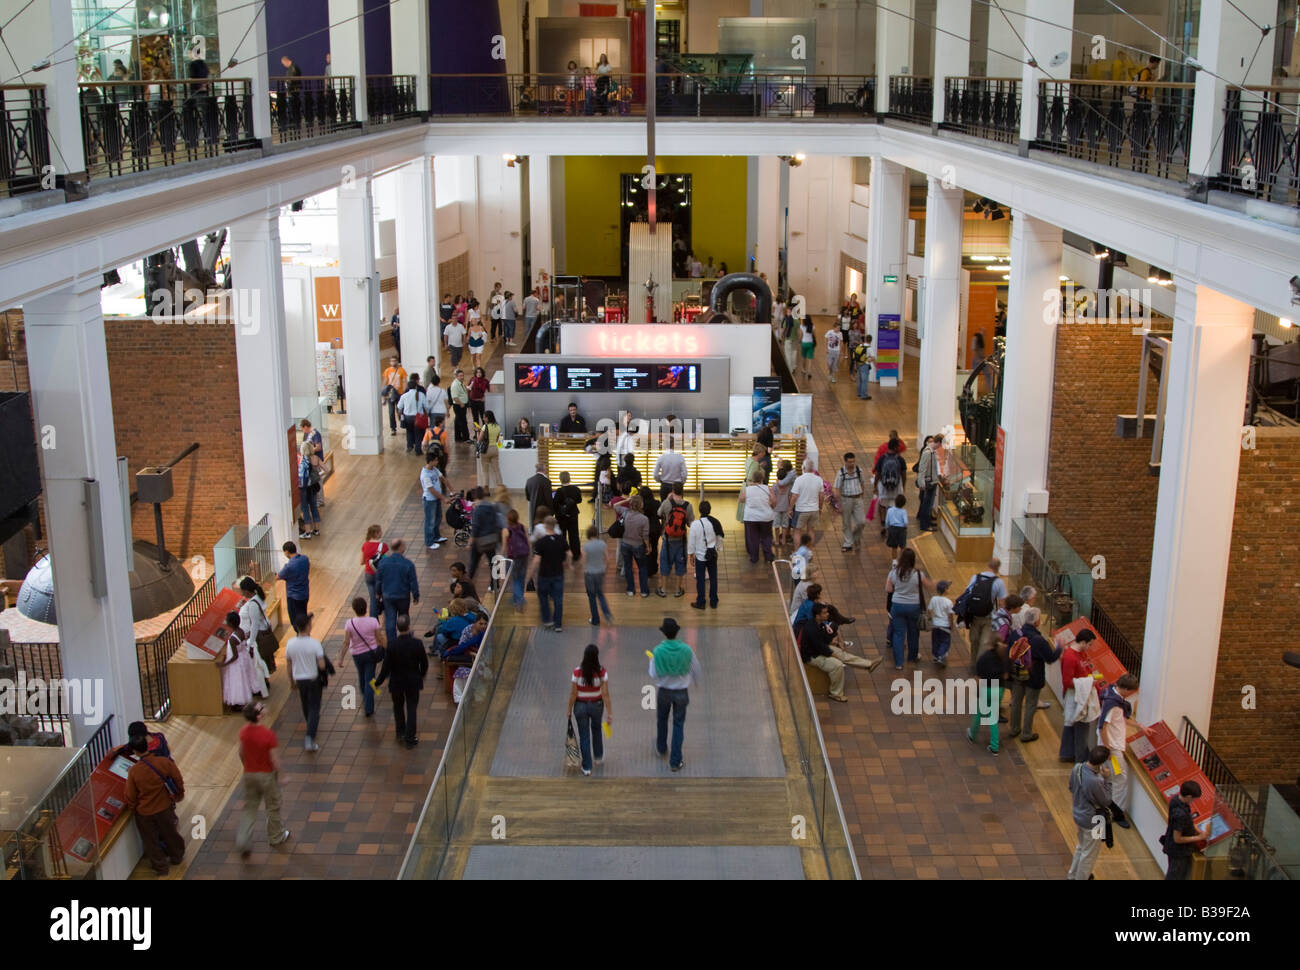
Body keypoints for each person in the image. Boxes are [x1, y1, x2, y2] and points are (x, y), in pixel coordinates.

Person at [122, 733, 186, 875]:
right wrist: (179, 794)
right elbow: (178, 779)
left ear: (135, 752)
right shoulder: (163, 762)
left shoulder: (134, 771)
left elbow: (130, 795)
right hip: (165, 807)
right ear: (147, 746)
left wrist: (133, 807)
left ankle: (161, 868)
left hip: (145, 813)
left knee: (151, 841)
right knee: (170, 833)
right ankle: (177, 857)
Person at [797, 602, 880, 702]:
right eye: (824, 613)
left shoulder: (820, 624)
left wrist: (834, 638)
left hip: (819, 651)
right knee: (837, 665)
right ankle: (835, 693)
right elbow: (821, 647)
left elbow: (824, 640)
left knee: (841, 653)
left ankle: (869, 664)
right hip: (812, 657)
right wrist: (833, 655)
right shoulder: (811, 628)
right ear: (817, 616)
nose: (827, 614)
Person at [649, 617, 701, 771]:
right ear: (676, 632)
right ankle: (675, 761)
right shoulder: (686, 650)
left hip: (664, 692)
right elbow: (696, 668)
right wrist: (696, 682)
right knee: (678, 724)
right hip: (681, 692)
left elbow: (652, 673)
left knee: (662, 720)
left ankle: (661, 748)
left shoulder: (658, 651)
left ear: (664, 633)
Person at [1006, 607, 1062, 742]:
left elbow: (1009, 651)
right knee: (1031, 704)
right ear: (1037, 621)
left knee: (1016, 702)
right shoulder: (1038, 640)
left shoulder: (1016, 633)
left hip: (1017, 672)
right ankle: (1026, 734)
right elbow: (1050, 658)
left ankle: (1014, 729)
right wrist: (1059, 647)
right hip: (1034, 675)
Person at [373, 614, 428, 748]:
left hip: (396, 682)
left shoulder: (392, 645)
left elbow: (385, 668)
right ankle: (410, 738)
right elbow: (424, 663)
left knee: (398, 707)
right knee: (412, 708)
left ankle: (400, 732)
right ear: (408, 626)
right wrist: (420, 675)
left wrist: (377, 682)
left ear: (397, 628)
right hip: (413, 681)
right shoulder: (417, 643)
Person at [1066, 746, 1114, 880]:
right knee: (1090, 854)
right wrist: (1107, 779)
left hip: (1078, 814)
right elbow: (1106, 800)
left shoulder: (1077, 768)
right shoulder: (1095, 781)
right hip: (1094, 820)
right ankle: (1081, 877)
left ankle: (1072, 875)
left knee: (1081, 847)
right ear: (1101, 763)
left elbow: (1071, 787)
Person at [1100, 673, 1140, 828]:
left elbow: (1120, 719)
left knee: (1111, 777)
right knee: (1120, 779)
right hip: (1113, 751)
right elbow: (1102, 726)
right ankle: (1116, 813)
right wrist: (1108, 748)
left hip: (1111, 748)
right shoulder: (1114, 704)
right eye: (1131, 692)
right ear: (1126, 689)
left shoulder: (1111, 695)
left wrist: (1140, 726)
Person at [567, 644, 612, 775]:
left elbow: (573, 694)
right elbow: (605, 694)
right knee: (597, 730)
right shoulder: (602, 672)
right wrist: (610, 713)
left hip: (580, 706)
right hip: (597, 705)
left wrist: (569, 709)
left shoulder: (577, 672)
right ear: (597, 656)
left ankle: (587, 767)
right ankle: (598, 757)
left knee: (584, 735)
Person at [285, 612, 326, 751]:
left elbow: (289, 665)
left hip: (300, 680)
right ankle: (310, 736)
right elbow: (322, 665)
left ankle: (310, 725)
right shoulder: (315, 644)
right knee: (315, 707)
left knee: (305, 705)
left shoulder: (290, 644)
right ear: (308, 626)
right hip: (313, 679)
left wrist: (291, 682)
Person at [885, 548, 931, 669]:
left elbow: (888, 589)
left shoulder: (894, 572)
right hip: (914, 607)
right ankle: (912, 657)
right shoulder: (918, 574)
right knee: (913, 633)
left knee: (898, 634)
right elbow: (927, 586)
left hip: (897, 606)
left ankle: (899, 663)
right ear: (913, 560)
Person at [1060, 629, 1100, 763]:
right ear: (1083, 642)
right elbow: (1067, 682)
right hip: (1076, 696)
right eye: (1090, 644)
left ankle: (1068, 753)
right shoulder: (1070, 657)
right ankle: (1081, 759)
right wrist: (1088, 682)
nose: (1090, 647)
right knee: (1081, 727)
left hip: (1083, 693)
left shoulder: (1081, 653)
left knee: (1073, 725)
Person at [341, 596, 385, 719]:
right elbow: (380, 638)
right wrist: (389, 649)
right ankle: (369, 707)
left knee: (361, 675)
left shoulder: (349, 623)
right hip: (371, 654)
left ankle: (365, 696)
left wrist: (341, 658)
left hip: (356, 655)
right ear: (366, 608)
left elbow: (346, 642)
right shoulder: (373, 621)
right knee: (370, 679)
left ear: (354, 609)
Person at [967, 628, 1008, 756]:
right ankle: (994, 746)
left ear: (989, 643)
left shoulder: (983, 658)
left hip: (986, 689)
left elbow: (978, 678)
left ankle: (972, 734)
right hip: (999, 689)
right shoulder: (1003, 657)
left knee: (979, 713)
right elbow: (1006, 675)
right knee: (993, 718)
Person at [374, 539, 419, 645]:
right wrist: (415, 595)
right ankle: (405, 640)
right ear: (401, 548)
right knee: (403, 618)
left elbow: (379, 580)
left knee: (390, 619)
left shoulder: (383, 563)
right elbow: (413, 581)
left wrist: (378, 594)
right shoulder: (408, 564)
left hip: (388, 596)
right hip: (403, 596)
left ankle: (392, 644)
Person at [960, 558, 1007, 658]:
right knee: (984, 644)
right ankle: (980, 664)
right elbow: (1003, 603)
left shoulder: (976, 577)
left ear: (988, 565)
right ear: (998, 568)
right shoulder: (999, 582)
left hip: (974, 615)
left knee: (974, 641)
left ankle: (973, 663)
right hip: (989, 617)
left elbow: (966, 593)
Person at [529, 516, 569, 631]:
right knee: (558, 599)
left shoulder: (541, 542)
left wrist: (529, 574)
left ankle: (547, 620)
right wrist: (567, 563)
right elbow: (569, 554)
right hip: (558, 573)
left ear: (545, 526)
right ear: (555, 525)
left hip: (544, 575)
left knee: (543, 597)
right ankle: (558, 624)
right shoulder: (561, 539)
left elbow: (536, 561)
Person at [1163, 780, 1205, 880]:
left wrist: (1197, 829)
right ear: (1189, 797)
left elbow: (1188, 821)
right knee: (1175, 876)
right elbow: (1177, 839)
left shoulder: (1175, 800)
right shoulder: (1180, 814)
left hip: (1172, 847)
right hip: (1178, 852)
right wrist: (1198, 837)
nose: (1194, 801)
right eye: (1194, 799)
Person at [657, 484, 694, 595]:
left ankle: (663, 589)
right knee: (680, 563)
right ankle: (678, 590)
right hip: (681, 540)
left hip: (667, 539)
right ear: (682, 492)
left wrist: (667, 499)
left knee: (665, 562)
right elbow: (690, 523)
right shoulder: (688, 505)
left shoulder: (666, 503)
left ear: (672, 491)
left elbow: (658, 513)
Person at [687, 499, 723, 609]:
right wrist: (718, 548)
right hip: (712, 554)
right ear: (710, 510)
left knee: (700, 579)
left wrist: (691, 555)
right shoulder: (715, 522)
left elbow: (691, 541)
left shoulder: (695, 524)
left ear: (699, 510)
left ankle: (701, 601)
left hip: (700, 555)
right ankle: (713, 601)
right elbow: (719, 537)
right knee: (713, 578)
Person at [220, 611, 257, 710]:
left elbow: (235, 656)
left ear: (231, 623)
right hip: (243, 658)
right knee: (242, 681)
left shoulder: (232, 639)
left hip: (236, 663)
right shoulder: (241, 631)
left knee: (237, 682)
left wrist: (224, 664)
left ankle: (238, 702)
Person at [239, 577, 277, 675]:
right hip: (263, 631)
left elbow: (254, 625)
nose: (242, 593)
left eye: (242, 591)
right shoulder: (258, 598)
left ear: (246, 591)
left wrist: (251, 643)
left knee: (259, 661)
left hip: (259, 636)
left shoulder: (253, 604)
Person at [468, 487, 506, 581]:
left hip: (479, 540)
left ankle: (467, 583)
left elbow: (475, 527)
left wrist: (470, 542)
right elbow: (496, 521)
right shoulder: (492, 507)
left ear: (475, 497)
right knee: (493, 564)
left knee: (473, 564)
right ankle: (494, 585)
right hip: (491, 539)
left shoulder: (477, 509)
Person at [833, 452, 868, 552]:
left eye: (853, 462)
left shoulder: (859, 471)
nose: (852, 464)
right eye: (850, 462)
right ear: (845, 462)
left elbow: (862, 483)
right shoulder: (841, 473)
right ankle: (848, 543)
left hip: (858, 498)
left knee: (861, 522)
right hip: (846, 499)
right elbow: (837, 489)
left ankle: (855, 537)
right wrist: (839, 505)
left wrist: (861, 496)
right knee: (846, 522)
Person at [740, 469, 776, 564]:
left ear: (752, 479)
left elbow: (741, 499)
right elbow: (774, 501)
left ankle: (754, 557)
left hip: (751, 517)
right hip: (766, 517)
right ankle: (768, 556)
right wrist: (771, 507)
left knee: (753, 538)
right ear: (762, 478)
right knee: (767, 537)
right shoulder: (768, 489)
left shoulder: (748, 489)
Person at [582, 525, 614, 626]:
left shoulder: (586, 546)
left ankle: (595, 619)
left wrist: (584, 570)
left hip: (590, 574)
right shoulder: (602, 544)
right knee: (600, 594)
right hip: (600, 572)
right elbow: (608, 559)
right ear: (596, 534)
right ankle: (607, 613)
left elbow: (583, 561)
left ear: (588, 534)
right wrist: (605, 569)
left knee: (592, 597)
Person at [620, 493, 651, 597]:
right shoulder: (644, 519)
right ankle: (644, 591)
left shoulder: (625, 513)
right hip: (638, 545)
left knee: (628, 567)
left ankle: (630, 590)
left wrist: (626, 500)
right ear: (640, 505)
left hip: (625, 543)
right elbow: (645, 536)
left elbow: (615, 506)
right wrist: (648, 546)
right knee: (642, 567)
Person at [553, 470, 584, 561]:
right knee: (574, 535)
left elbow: (555, 504)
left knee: (562, 535)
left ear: (560, 479)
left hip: (561, 517)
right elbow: (579, 500)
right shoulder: (576, 489)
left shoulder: (559, 491)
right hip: (573, 515)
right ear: (569, 478)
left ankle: (562, 554)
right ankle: (576, 555)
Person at [790, 459, 824, 541]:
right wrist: (820, 508)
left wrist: (790, 508)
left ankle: (797, 549)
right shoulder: (819, 479)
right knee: (811, 531)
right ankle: (809, 548)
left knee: (797, 531)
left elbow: (794, 496)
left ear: (804, 468)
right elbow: (821, 496)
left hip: (801, 510)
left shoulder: (799, 479)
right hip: (814, 509)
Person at [418, 453, 446, 551]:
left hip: (436, 499)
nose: (437, 462)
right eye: (436, 460)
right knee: (430, 521)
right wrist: (444, 498)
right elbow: (431, 490)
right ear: (431, 461)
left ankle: (436, 536)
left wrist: (451, 489)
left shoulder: (434, 469)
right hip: (430, 501)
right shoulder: (425, 475)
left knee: (438, 517)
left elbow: (442, 478)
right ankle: (429, 542)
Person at [360, 524, 389, 617]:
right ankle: (387, 614)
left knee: (373, 599)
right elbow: (388, 561)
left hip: (368, 574)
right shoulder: (383, 546)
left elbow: (361, 562)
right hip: (380, 575)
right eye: (380, 531)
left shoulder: (365, 545)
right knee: (384, 595)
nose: (381, 533)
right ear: (376, 533)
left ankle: (373, 620)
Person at [505, 508, 531, 609]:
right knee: (521, 578)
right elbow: (528, 541)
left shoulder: (506, 530)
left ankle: (520, 599)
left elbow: (504, 547)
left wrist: (501, 557)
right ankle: (516, 599)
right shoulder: (522, 527)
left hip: (514, 557)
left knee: (515, 579)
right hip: (524, 555)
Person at [278, 541, 310, 622]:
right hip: (305, 594)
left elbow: (278, 576)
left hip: (294, 597)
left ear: (286, 552)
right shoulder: (305, 559)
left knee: (295, 620)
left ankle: (299, 630)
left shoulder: (289, 566)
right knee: (303, 616)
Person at [297, 441, 322, 538]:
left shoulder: (301, 460)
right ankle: (316, 530)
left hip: (303, 487)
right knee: (314, 507)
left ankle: (307, 532)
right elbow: (326, 469)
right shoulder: (315, 458)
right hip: (313, 486)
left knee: (305, 509)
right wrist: (318, 477)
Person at [653, 437, 688, 502]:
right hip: (677, 486)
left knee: (665, 506)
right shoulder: (680, 457)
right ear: (674, 445)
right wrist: (681, 483)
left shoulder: (661, 457)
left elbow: (655, 475)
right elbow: (685, 474)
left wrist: (661, 480)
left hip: (665, 486)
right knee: (678, 506)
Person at [928, 579, 954, 666]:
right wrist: (951, 625)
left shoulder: (933, 599)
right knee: (945, 642)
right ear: (946, 590)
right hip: (945, 626)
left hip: (935, 624)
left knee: (935, 641)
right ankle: (940, 656)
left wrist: (931, 619)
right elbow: (950, 615)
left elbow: (929, 610)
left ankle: (936, 655)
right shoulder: (948, 602)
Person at [397, 378, 426, 454]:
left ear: (408, 387)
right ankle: (418, 450)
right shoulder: (421, 395)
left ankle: (409, 446)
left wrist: (400, 416)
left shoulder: (404, 396)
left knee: (409, 431)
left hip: (407, 417)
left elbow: (399, 407)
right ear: (416, 386)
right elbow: (426, 406)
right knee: (418, 433)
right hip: (418, 417)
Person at [772, 458, 796, 547]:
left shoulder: (775, 486)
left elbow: (773, 497)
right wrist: (790, 508)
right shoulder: (788, 486)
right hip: (786, 507)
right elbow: (790, 497)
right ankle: (784, 540)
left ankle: (776, 541)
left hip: (777, 508)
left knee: (776, 525)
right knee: (785, 525)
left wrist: (772, 506)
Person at [381, 356, 406, 435]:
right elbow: (385, 382)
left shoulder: (402, 370)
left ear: (397, 361)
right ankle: (393, 428)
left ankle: (402, 422)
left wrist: (404, 392)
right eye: (391, 361)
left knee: (400, 410)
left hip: (399, 393)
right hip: (391, 394)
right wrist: (383, 394)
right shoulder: (387, 371)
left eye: (394, 361)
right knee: (391, 412)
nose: (393, 362)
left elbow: (404, 381)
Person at [525, 462, 553, 530]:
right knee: (544, 529)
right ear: (544, 470)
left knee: (534, 528)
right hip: (544, 510)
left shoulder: (529, 481)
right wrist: (552, 511)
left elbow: (528, 497)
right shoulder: (546, 481)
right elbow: (548, 499)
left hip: (533, 509)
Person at [450, 369, 470, 443]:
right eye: (460, 376)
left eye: (462, 375)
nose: (462, 377)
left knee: (458, 421)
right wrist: (461, 403)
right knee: (463, 422)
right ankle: (466, 438)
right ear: (456, 376)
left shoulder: (460, 383)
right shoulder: (455, 385)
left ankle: (458, 437)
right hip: (459, 405)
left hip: (462, 405)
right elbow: (454, 397)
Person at [853, 334, 874, 400]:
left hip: (858, 364)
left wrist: (855, 365)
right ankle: (864, 395)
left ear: (865, 339)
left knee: (860, 380)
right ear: (871, 341)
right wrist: (868, 360)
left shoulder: (860, 346)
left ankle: (859, 393)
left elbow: (855, 355)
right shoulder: (869, 348)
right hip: (865, 365)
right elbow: (873, 358)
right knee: (864, 381)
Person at [798, 316, 816, 381]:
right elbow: (814, 335)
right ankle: (809, 372)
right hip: (810, 343)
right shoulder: (813, 326)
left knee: (804, 357)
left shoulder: (802, 326)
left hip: (804, 343)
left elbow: (801, 335)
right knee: (810, 358)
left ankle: (803, 369)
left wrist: (799, 341)